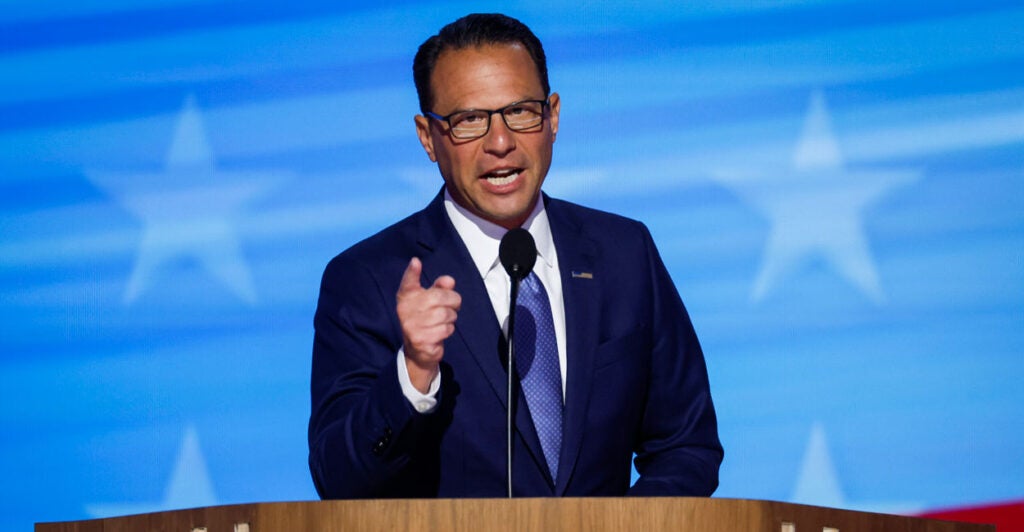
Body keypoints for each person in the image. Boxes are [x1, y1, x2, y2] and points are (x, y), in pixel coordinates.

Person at [308, 13, 722, 498]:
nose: (500, 143)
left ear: (553, 118)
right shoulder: (367, 279)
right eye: (469, 121)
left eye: (521, 112)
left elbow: (686, 445)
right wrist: (414, 372)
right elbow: (339, 479)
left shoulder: (624, 254)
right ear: (428, 137)